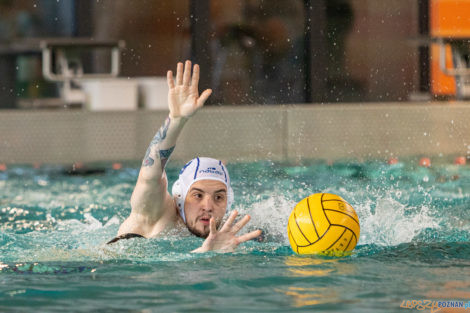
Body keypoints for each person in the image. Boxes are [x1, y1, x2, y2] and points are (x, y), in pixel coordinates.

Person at [108, 60, 262, 252]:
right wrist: (176, 120)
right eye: (197, 195)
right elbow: (150, 174)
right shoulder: (155, 214)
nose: (208, 206)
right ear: (179, 197)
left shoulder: (230, 233)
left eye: (219, 197)